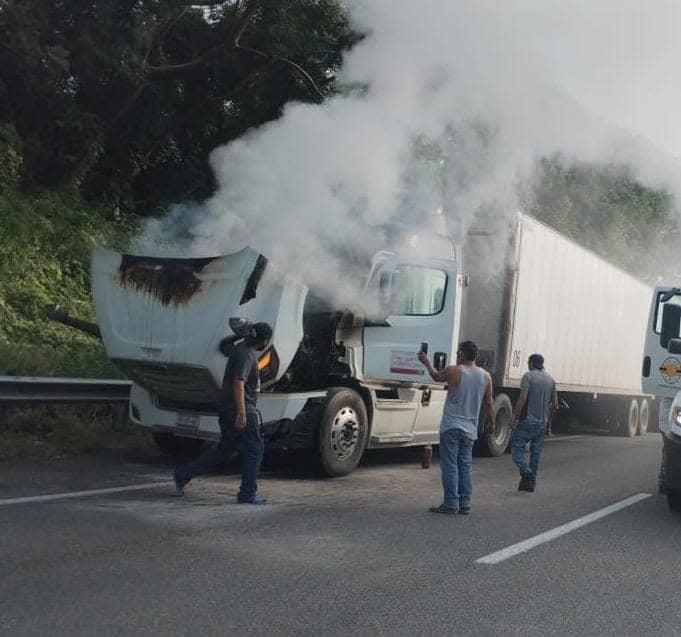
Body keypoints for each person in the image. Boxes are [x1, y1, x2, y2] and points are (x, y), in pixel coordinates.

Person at [173, 322, 273, 505]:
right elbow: (238, 383)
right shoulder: (246, 355)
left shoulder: (237, 349)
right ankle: (247, 494)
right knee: (254, 449)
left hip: (226, 408)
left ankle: (183, 474)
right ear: (264, 340)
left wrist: (239, 334)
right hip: (240, 408)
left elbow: (222, 345)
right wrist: (242, 413)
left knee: (224, 449)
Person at [419, 340, 494, 515]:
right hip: (469, 429)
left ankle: (451, 503)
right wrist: (491, 423)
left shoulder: (454, 370)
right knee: (465, 465)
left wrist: (426, 361)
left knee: (450, 465)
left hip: (451, 426)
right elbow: (489, 403)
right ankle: (465, 503)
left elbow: (436, 377)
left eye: (458, 353)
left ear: (461, 354)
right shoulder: (486, 376)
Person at [510, 353, 557, 492]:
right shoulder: (551, 380)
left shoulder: (528, 376)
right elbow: (554, 404)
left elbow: (522, 398)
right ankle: (530, 484)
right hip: (542, 422)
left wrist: (514, 416)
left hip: (527, 420)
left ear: (531, 363)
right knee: (535, 453)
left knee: (516, 450)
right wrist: (548, 420)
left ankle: (526, 472)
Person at [658, 397, 673, 495]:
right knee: (669, 451)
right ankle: (664, 480)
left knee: (668, 451)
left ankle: (664, 480)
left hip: (667, 422)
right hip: (669, 423)